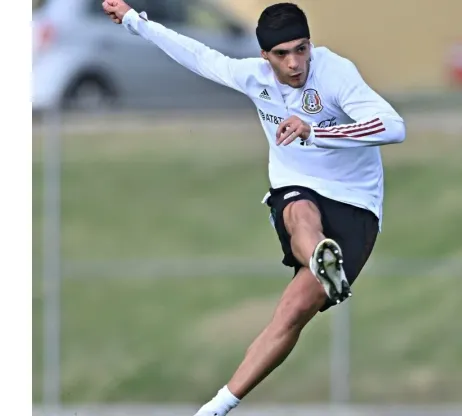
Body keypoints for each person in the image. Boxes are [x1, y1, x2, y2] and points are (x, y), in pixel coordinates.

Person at [101, 1, 406, 414]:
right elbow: (197, 55)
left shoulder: (335, 72)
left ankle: (320, 266)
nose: (295, 63)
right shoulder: (253, 77)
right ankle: (214, 409)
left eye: (302, 49)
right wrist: (136, 22)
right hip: (297, 186)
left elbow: (393, 126)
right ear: (266, 56)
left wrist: (316, 132)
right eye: (283, 54)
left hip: (356, 200)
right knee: (300, 210)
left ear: (311, 45)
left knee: (294, 311)